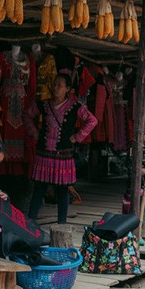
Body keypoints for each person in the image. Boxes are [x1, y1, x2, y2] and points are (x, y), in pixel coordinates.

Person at [26, 71, 97, 224]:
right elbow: (27, 115)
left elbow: (92, 121)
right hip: (44, 152)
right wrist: (34, 133)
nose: (55, 87)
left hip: (63, 154)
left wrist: (77, 137)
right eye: (55, 84)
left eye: (60, 85)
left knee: (62, 189)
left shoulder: (75, 107)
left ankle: (62, 224)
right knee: (39, 188)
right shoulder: (44, 105)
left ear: (67, 89)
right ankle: (30, 222)